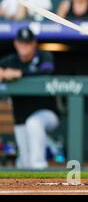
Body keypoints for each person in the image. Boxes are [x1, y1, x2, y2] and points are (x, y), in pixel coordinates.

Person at [0, 27, 60, 169]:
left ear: (34, 43)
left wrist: (19, 74)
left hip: (47, 114)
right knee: (25, 163)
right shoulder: (10, 61)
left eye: (27, 42)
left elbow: (47, 71)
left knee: (33, 123)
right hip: (20, 118)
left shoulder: (44, 56)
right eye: (21, 42)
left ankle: (40, 167)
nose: (24, 46)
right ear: (16, 43)